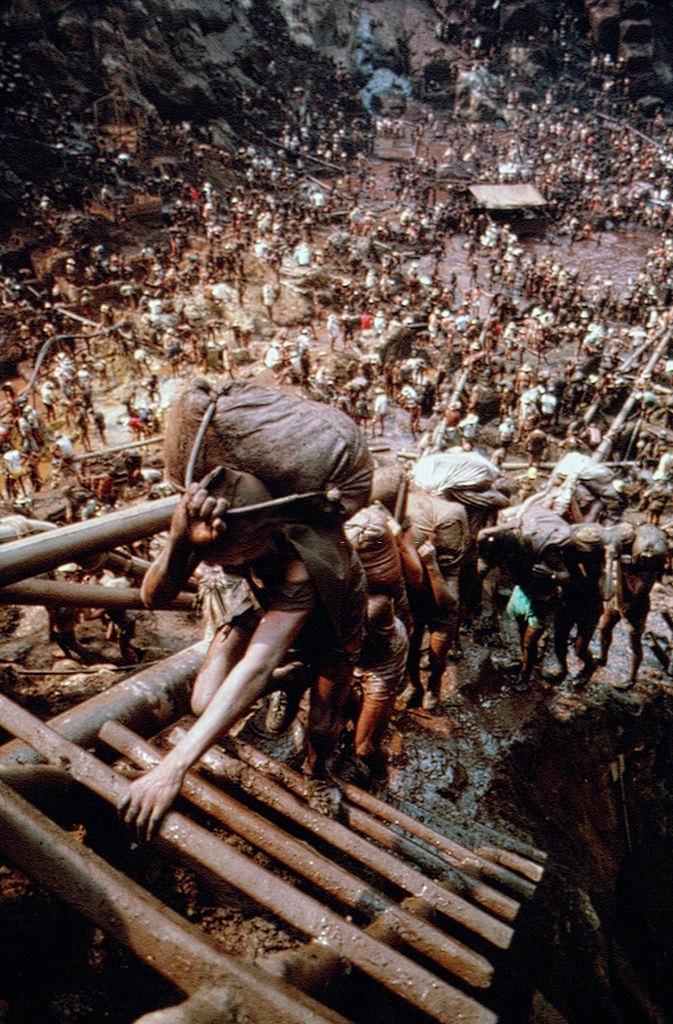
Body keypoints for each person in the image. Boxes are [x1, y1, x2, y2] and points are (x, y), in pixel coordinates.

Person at [121, 466, 366, 839]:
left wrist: (172, 767)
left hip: (332, 621)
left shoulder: (304, 559)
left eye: (221, 560)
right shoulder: (227, 529)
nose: (211, 567)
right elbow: (152, 597)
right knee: (204, 702)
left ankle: (318, 773)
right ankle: (290, 677)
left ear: (261, 537)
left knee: (321, 723)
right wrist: (180, 539)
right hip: (262, 592)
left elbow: (257, 662)